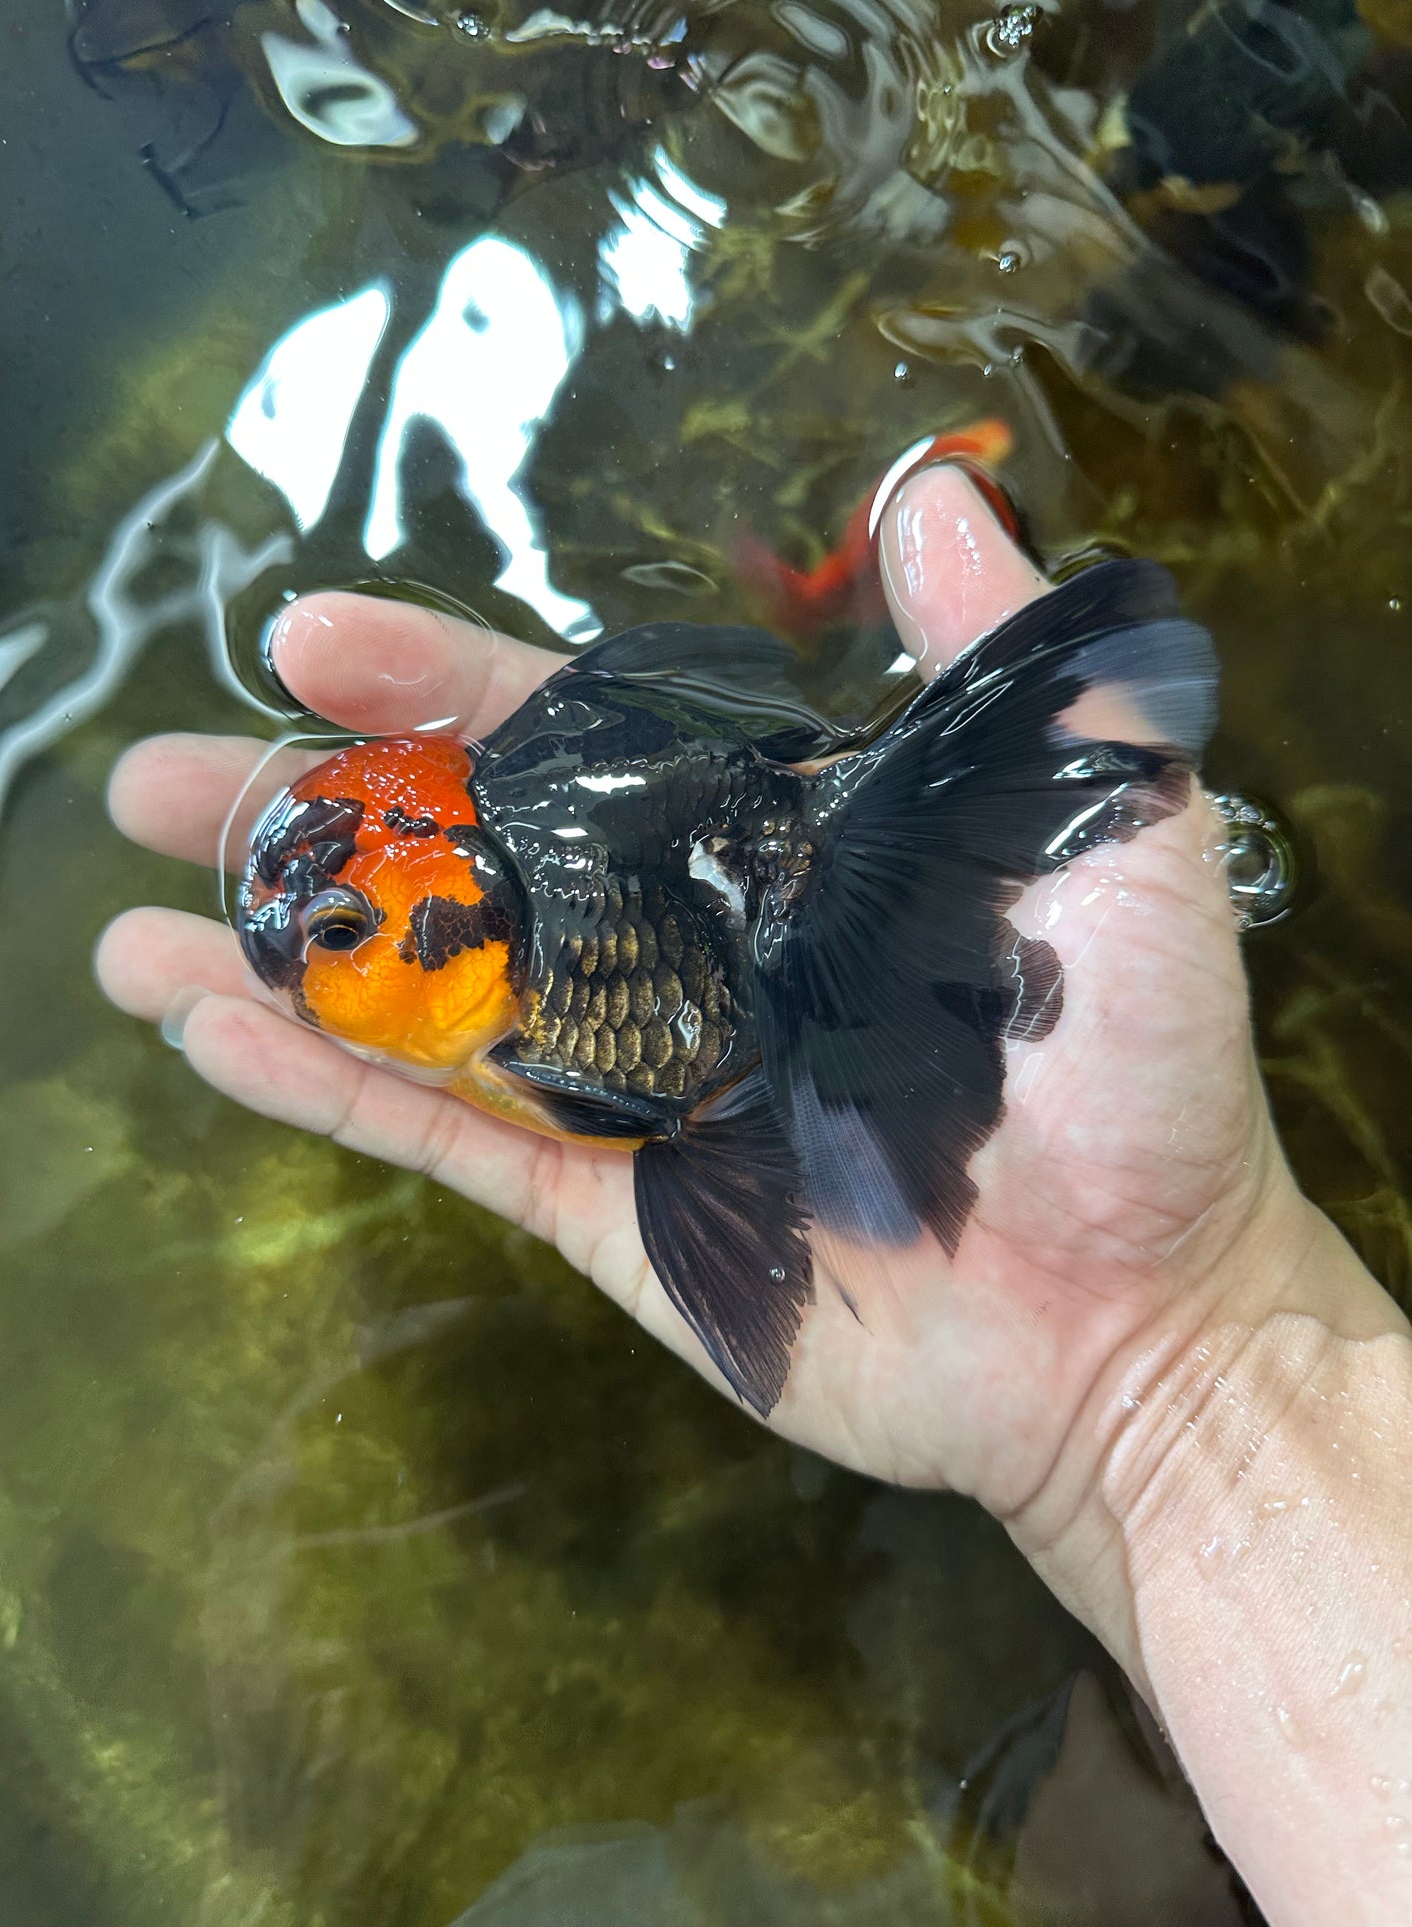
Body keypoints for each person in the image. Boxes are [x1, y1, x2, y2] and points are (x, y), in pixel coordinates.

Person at [96, 465, 1412, 1925]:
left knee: (699, 1091)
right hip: (724, 870)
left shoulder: (547, 1008)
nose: (300, 953)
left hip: (743, 910)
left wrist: (1171, 1356)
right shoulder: (491, 948)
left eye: (341, 931)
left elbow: (646, 1104)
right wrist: (1176, 1382)